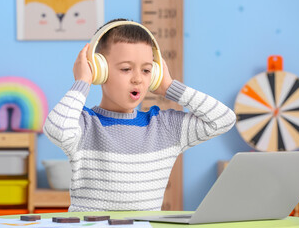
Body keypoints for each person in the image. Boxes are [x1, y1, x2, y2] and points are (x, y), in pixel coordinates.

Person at [43, 19, 236, 212]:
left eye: (146, 70)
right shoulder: (85, 125)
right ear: (99, 70)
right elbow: (57, 129)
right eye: (126, 69)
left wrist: (170, 87)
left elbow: (223, 119)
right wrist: (83, 81)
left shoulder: (164, 127)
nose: (137, 79)